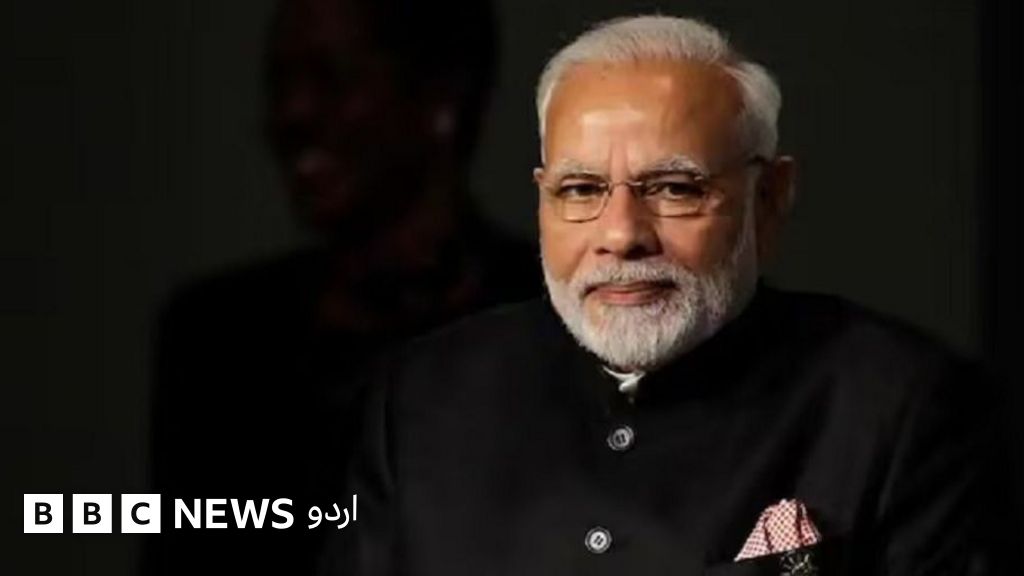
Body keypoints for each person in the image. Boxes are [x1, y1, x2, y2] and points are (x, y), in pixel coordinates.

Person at [321, 15, 1021, 575]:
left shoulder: (902, 410)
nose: (621, 235)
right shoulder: (421, 398)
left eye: (675, 189)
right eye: (581, 190)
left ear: (770, 198)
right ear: (542, 199)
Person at [144, 1, 537, 574]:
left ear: (439, 96)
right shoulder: (216, 336)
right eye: (280, 84)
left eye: (331, 79)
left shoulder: (558, 324)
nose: (293, 112)